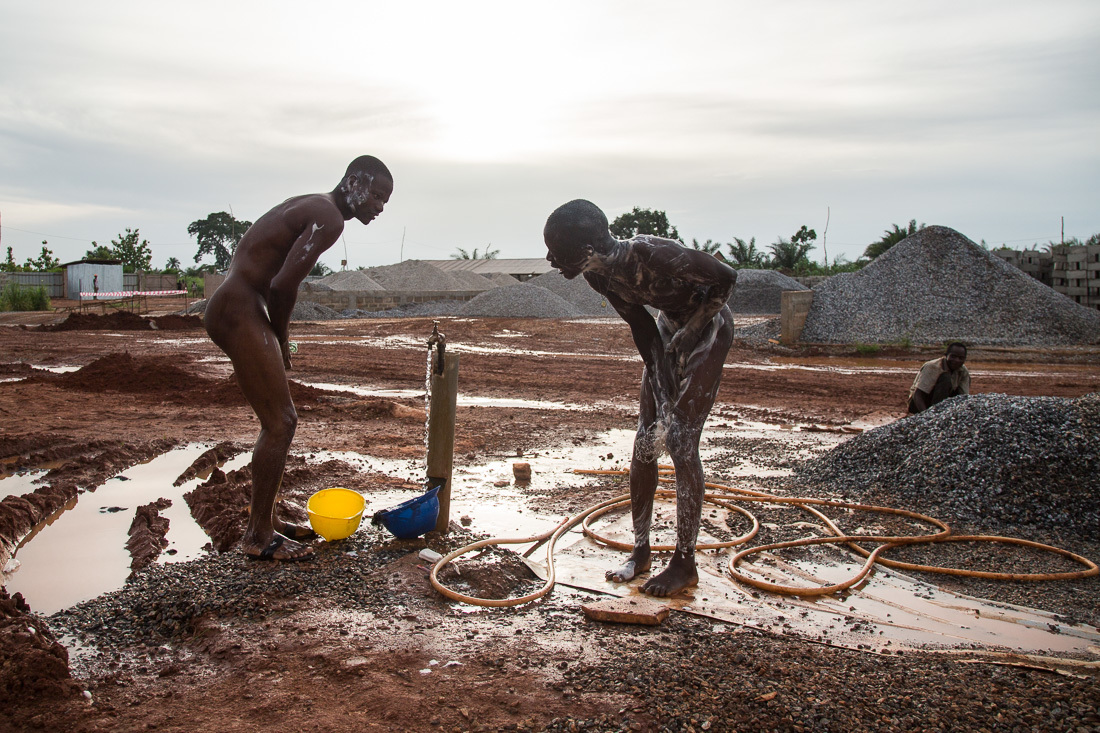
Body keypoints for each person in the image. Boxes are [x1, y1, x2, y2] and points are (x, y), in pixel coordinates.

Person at [544, 199, 738, 597]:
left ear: (585, 251)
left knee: (682, 440)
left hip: (710, 323)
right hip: (668, 327)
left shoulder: (652, 254)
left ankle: (684, 563)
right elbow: (640, 323)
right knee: (645, 440)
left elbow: (726, 277)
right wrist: (659, 371)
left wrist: (697, 323)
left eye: (556, 252)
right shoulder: (597, 275)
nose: (549, 260)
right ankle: (641, 549)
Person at [204, 156, 393, 561]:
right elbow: (283, 284)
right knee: (281, 421)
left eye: (385, 201)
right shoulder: (329, 216)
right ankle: (257, 535)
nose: (379, 207)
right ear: (354, 182)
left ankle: (265, 518)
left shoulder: (316, 205)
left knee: (278, 420)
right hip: (238, 307)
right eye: (376, 196)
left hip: (238, 304)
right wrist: (283, 335)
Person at [907, 342, 969, 414]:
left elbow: (964, 397)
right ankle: (937, 413)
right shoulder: (932, 367)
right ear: (946, 356)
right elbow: (918, 394)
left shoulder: (963, 371)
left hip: (943, 401)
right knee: (945, 378)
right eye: (953, 356)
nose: (957, 360)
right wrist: (926, 415)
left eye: (961, 358)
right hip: (919, 404)